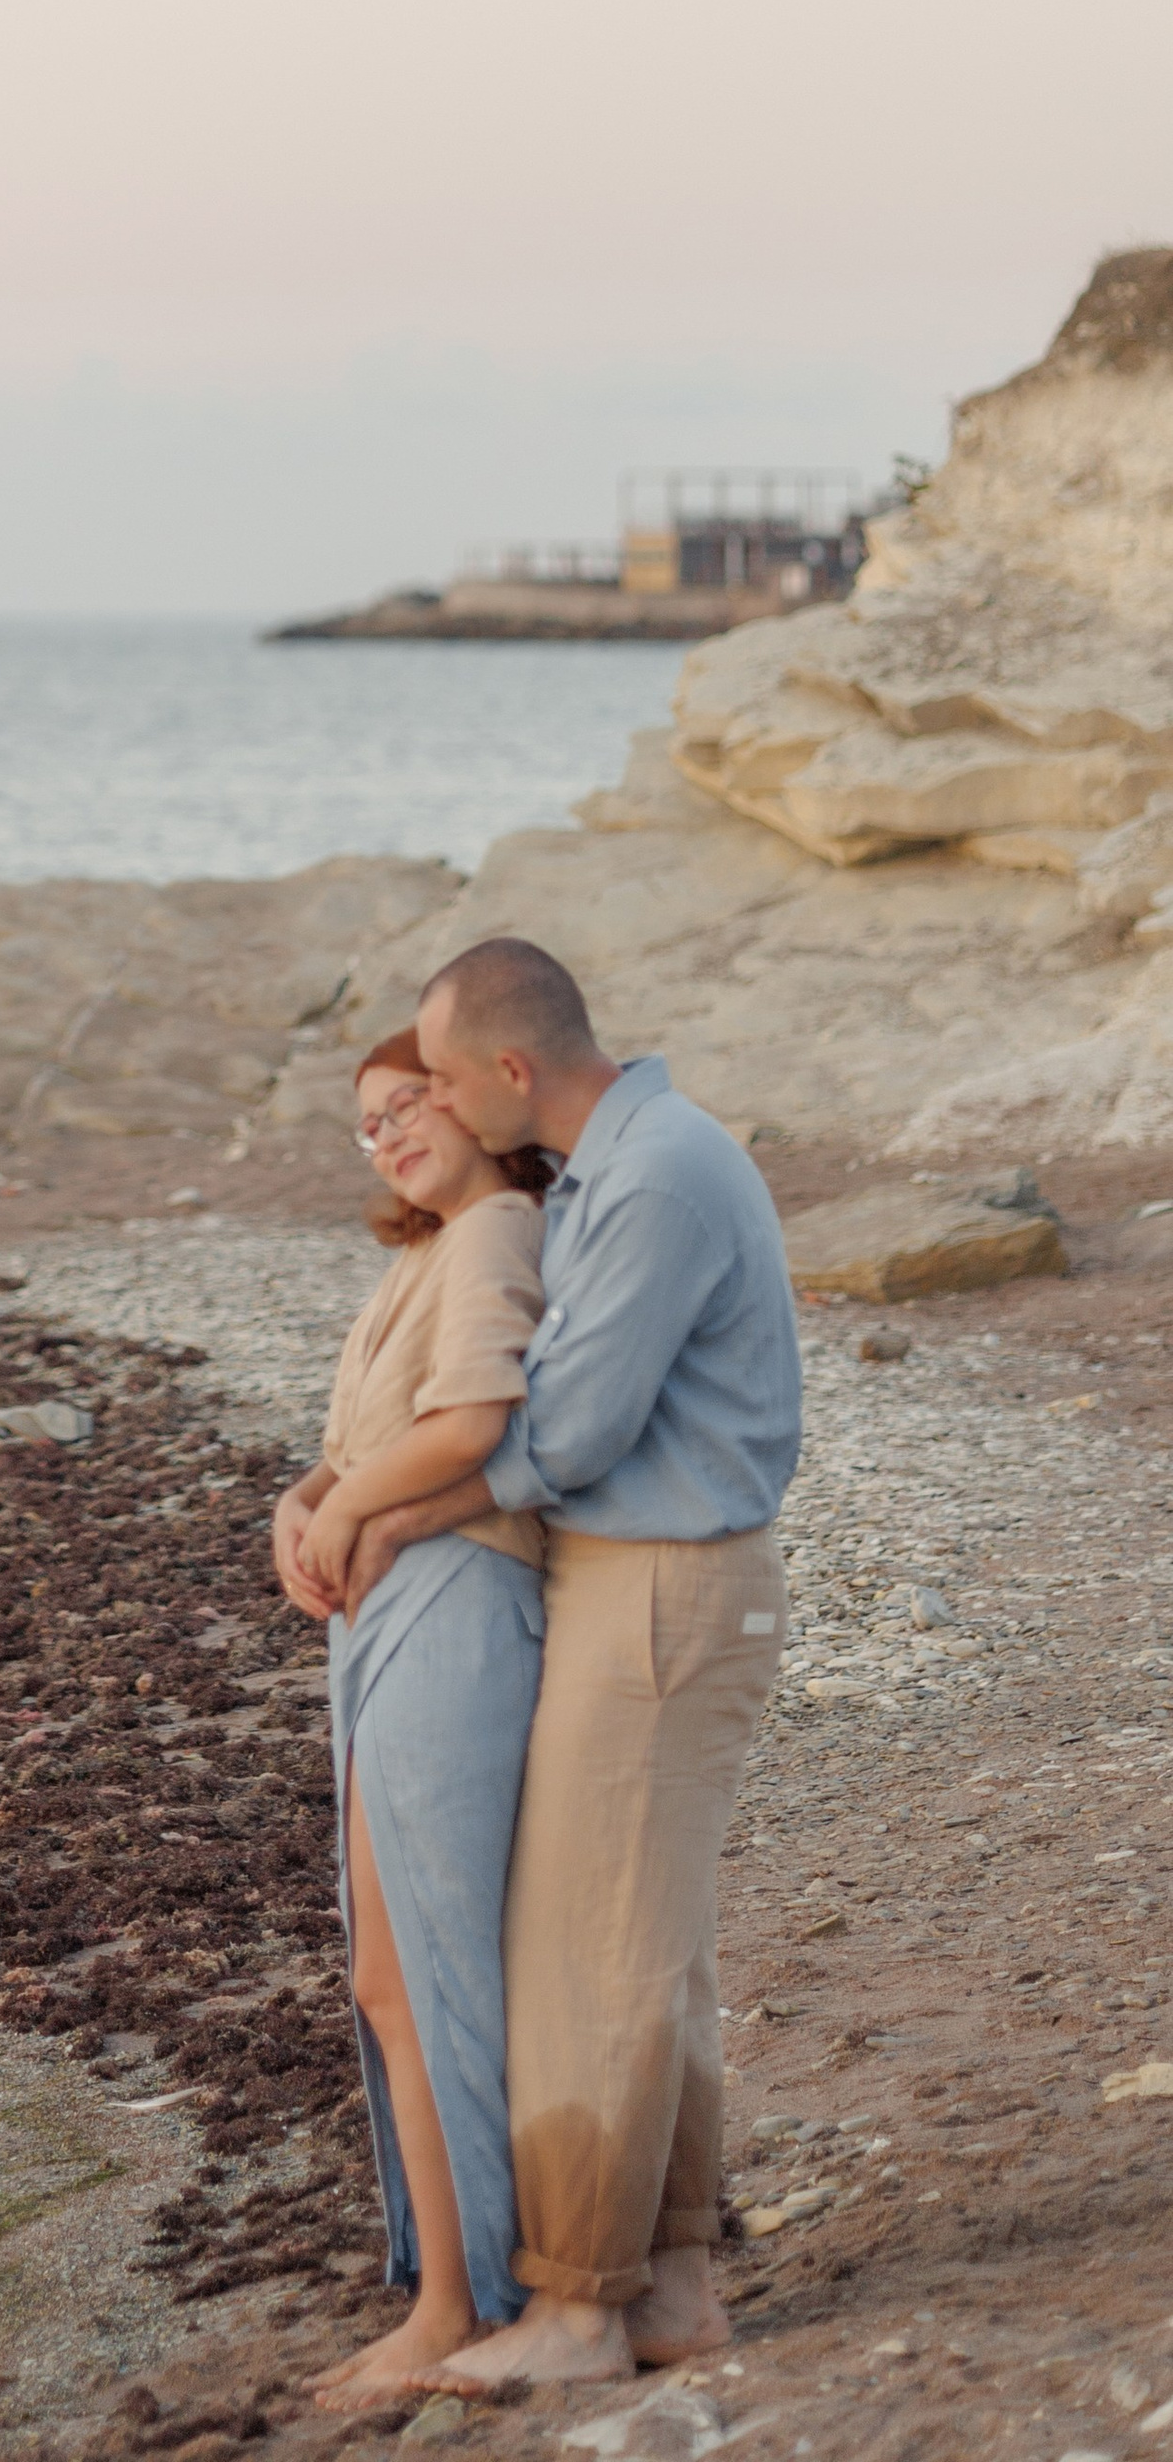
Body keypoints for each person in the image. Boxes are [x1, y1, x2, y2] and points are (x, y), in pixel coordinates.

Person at [336, 938, 802, 2395]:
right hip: (637, 1578)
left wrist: (395, 1505)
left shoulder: (656, 1174)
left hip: (661, 1586)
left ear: (511, 1070)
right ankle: (673, 2289)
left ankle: (584, 2312)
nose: (446, 1110)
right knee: (648, 1950)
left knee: (591, 1954)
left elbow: (574, 1431)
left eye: (450, 1078)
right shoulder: (624, 1167)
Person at [269, 1031, 552, 2393]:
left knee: (431, 1968)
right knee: (387, 1974)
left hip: (455, 1597)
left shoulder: (499, 1228)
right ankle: (447, 2284)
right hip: (382, 1609)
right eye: (367, 1124)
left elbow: (474, 1427)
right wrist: (299, 1508)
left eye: (407, 1105)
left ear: (474, 1095)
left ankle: (465, 2303)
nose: (387, 1136)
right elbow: (352, 1452)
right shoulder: (417, 1258)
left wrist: (358, 1506)